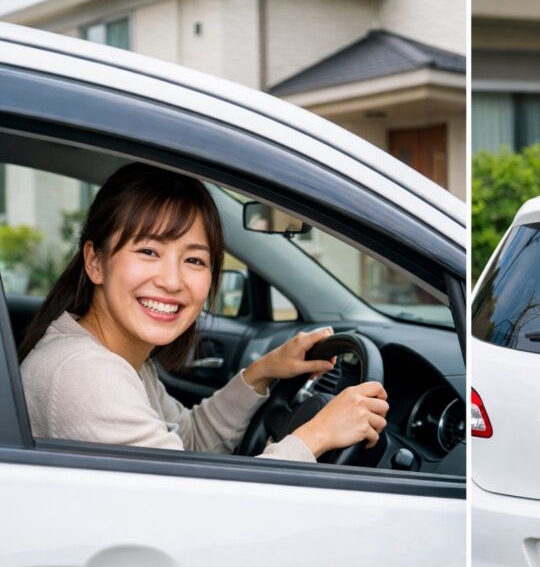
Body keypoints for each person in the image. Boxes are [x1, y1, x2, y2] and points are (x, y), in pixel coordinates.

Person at [18, 163, 388, 462]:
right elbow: (199, 510)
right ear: (95, 262)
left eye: (194, 259)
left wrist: (260, 373)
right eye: (149, 251)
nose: (172, 280)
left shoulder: (121, 358)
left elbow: (185, 443)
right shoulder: (86, 374)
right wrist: (319, 434)